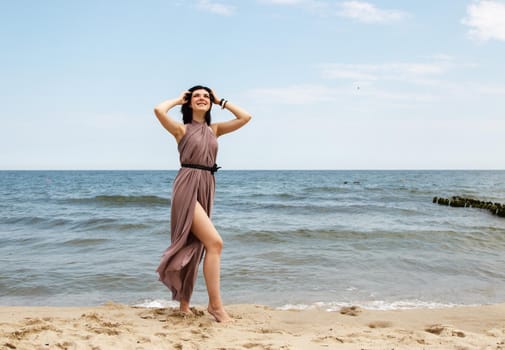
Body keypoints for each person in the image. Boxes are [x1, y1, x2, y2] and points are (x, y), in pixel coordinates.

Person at [154, 85, 251, 322]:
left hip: (206, 184)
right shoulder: (181, 129)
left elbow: (245, 117)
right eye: (196, 96)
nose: (202, 98)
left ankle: (184, 304)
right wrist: (178, 100)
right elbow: (158, 109)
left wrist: (221, 101)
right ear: (189, 102)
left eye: (206, 96)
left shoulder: (214, 130)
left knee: (196, 245)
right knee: (215, 243)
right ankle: (215, 306)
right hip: (187, 185)